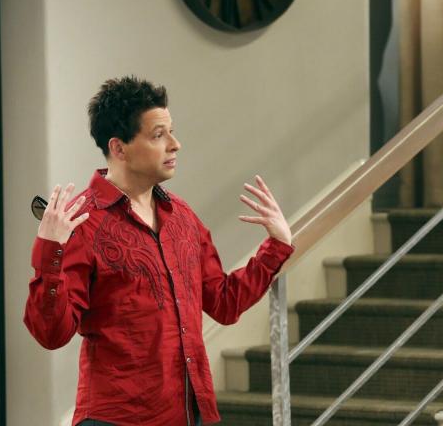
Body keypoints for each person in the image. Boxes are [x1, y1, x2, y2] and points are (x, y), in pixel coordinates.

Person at [23, 76, 294, 426]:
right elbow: (51, 333)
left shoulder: (183, 217)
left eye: (172, 132)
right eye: (158, 135)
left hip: (189, 414)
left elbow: (224, 303)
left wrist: (276, 246)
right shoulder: (82, 223)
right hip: (117, 419)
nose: (175, 145)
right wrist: (50, 251)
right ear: (119, 148)